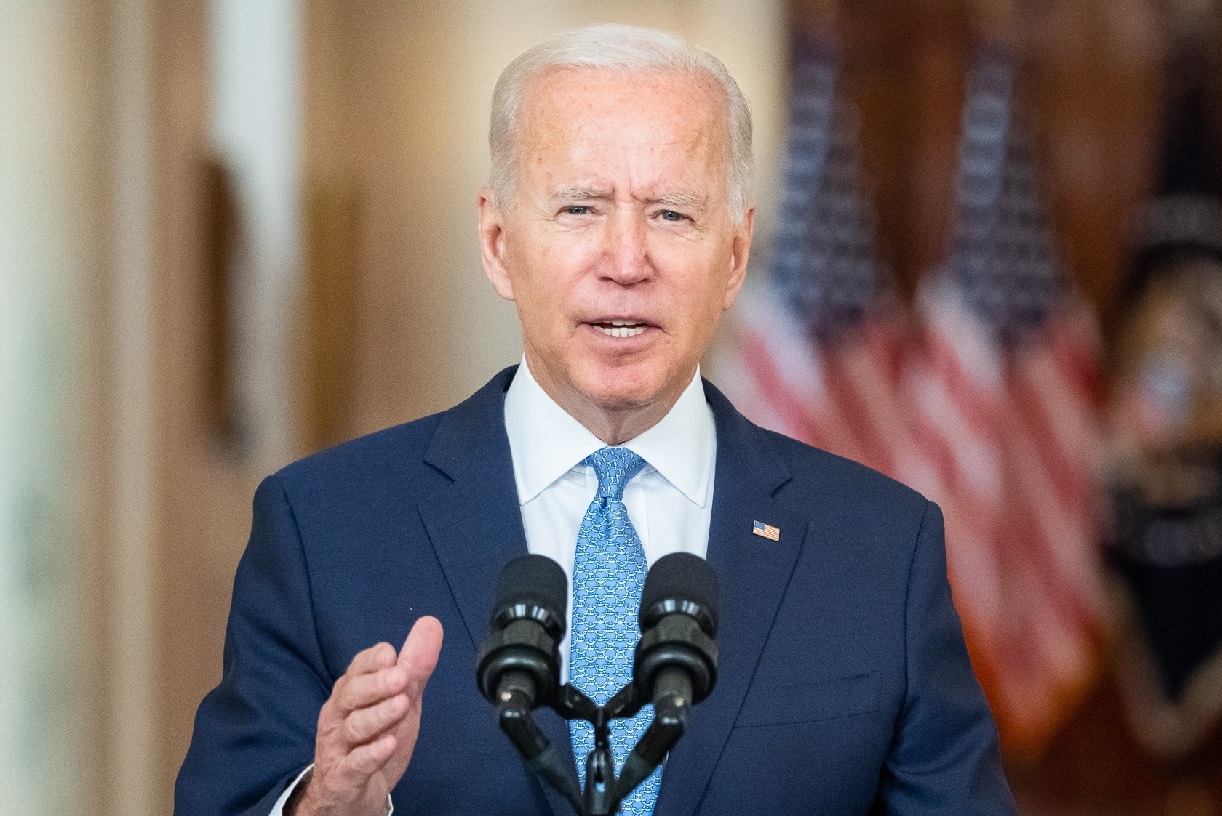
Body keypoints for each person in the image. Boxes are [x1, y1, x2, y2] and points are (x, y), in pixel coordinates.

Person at [175, 23, 1016, 816]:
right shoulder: (324, 527)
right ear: (499, 243)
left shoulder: (879, 549)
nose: (626, 262)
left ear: (733, 256)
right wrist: (323, 804)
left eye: (671, 214)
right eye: (580, 208)